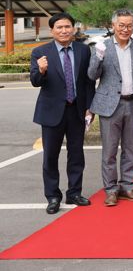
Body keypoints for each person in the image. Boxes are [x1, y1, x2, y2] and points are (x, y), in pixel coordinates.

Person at [30, 13, 95, 214]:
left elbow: (88, 81)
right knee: (50, 156)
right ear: (52, 31)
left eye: (68, 26)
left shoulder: (83, 51)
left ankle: (74, 192)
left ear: (73, 29)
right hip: (51, 112)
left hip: (76, 110)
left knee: (76, 154)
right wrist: (40, 71)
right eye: (59, 27)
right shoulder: (40, 52)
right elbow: (35, 82)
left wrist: (89, 107)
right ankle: (52, 196)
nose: (64, 30)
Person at [88, 8, 133, 206]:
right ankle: (111, 190)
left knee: (131, 148)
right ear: (113, 25)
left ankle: (127, 186)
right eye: (121, 25)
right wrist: (98, 57)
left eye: (129, 25)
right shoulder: (102, 47)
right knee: (109, 151)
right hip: (109, 105)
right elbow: (92, 75)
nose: (125, 29)